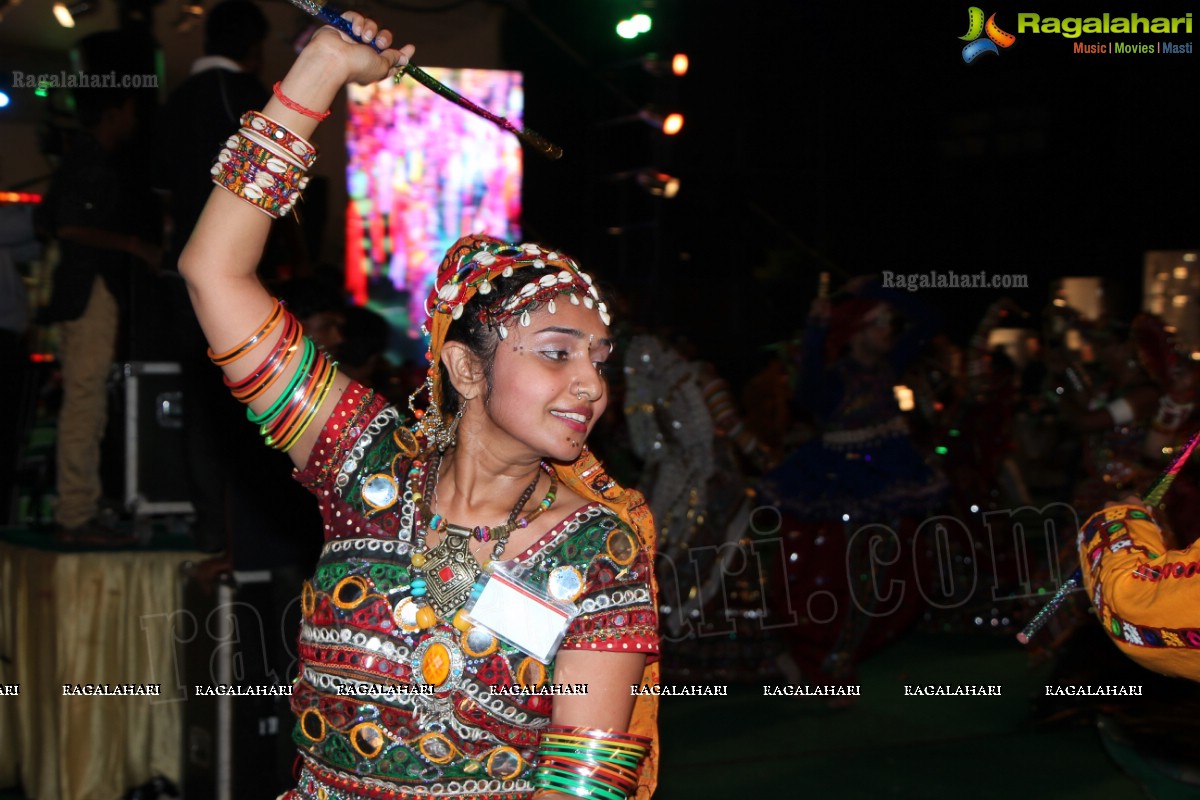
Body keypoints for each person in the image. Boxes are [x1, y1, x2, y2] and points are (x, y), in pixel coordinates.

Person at [177, 13, 660, 800]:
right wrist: (322, 69)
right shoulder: (366, 464)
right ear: (467, 368)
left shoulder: (597, 553)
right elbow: (213, 273)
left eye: (600, 360)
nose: (591, 385)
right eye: (556, 351)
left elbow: (583, 787)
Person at [35, 85, 162, 542]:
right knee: (85, 402)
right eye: (128, 110)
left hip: (80, 291)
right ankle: (76, 514)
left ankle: (79, 508)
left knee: (86, 401)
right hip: (87, 292)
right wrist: (133, 245)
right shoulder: (90, 159)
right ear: (112, 113)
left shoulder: (82, 157)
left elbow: (51, 222)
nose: (133, 119)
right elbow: (68, 225)